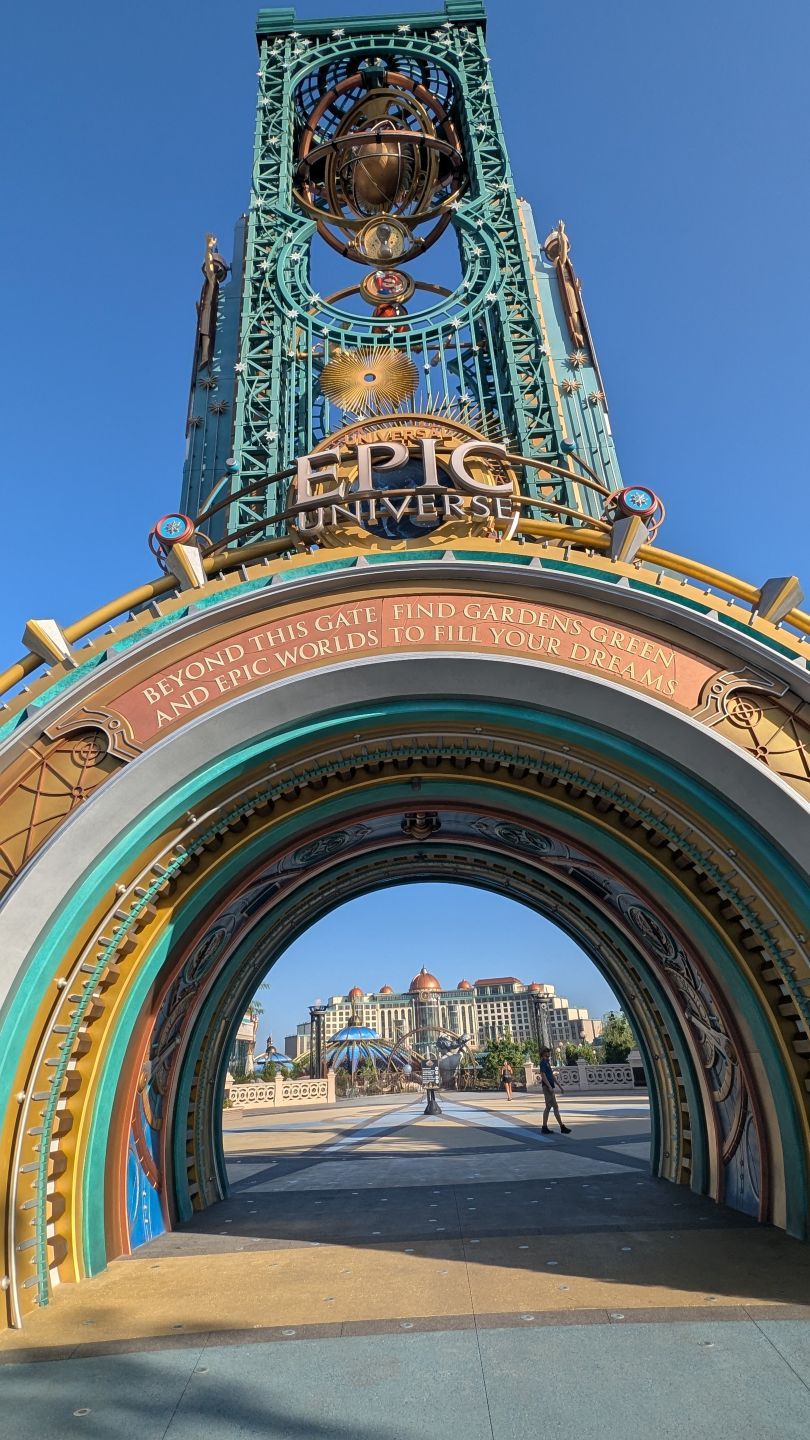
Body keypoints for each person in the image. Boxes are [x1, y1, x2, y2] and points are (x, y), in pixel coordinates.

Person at [539, 1047, 571, 1134]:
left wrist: (559, 1086)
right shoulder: (543, 1062)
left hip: (549, 1087)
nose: (549, 1053)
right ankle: (561, 1127)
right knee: (552, 1107)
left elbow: (551, 1076)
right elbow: (543, 1075)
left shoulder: (547, 1062)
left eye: (549, 1052)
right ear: (543, 1053)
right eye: (547, 1052)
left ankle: (545, 1127)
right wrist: (549, 1086)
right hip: (547, 1087)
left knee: (549, 1107)